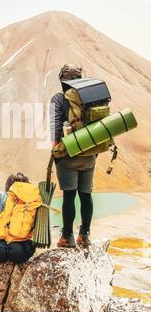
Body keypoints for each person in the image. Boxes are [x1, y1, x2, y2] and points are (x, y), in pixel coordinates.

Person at [51, 64, 95, 248]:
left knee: (69, 196)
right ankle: (84, 235)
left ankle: (67, 236)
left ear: (62, 80)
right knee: (86, 195)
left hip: (68, 154)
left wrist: (56, 151)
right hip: (90, 153)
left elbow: (55, 126)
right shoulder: (90, 97)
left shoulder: (59, 99)